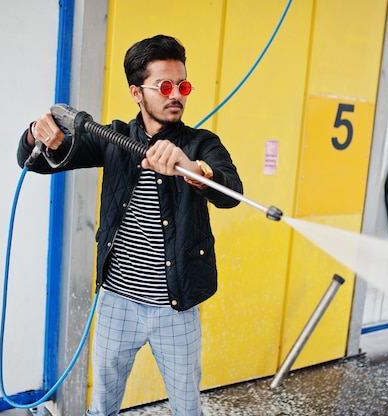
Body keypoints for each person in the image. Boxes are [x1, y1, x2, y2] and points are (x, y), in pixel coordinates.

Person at [17, 34, 243, 416]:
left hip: (176, 307)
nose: (177, 95)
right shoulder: (114, 138)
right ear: (137, 92)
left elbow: (231, 190)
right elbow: (36, 161)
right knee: (103, 404)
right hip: (117, 304)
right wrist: (37, 134)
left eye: (183, 85)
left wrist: (191, 168)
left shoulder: (202, 142)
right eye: (165, 86)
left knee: (187, 408)